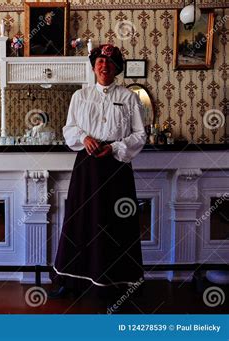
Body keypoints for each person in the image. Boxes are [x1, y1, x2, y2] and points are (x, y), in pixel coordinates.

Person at [49, 44, 147, 303]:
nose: (105, 66)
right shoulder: (79, 97)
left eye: (111, 62)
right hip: (87, 166)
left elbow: (140, 135)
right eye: (100, 61)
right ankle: (70, 280)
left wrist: (115, 147)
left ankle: (118, 285)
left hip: (116, 168)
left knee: (115, 223)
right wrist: (84, 136)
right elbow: (68, 128)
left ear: (117, 69)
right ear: (94, 66)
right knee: (81, 221)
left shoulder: (129, 97)